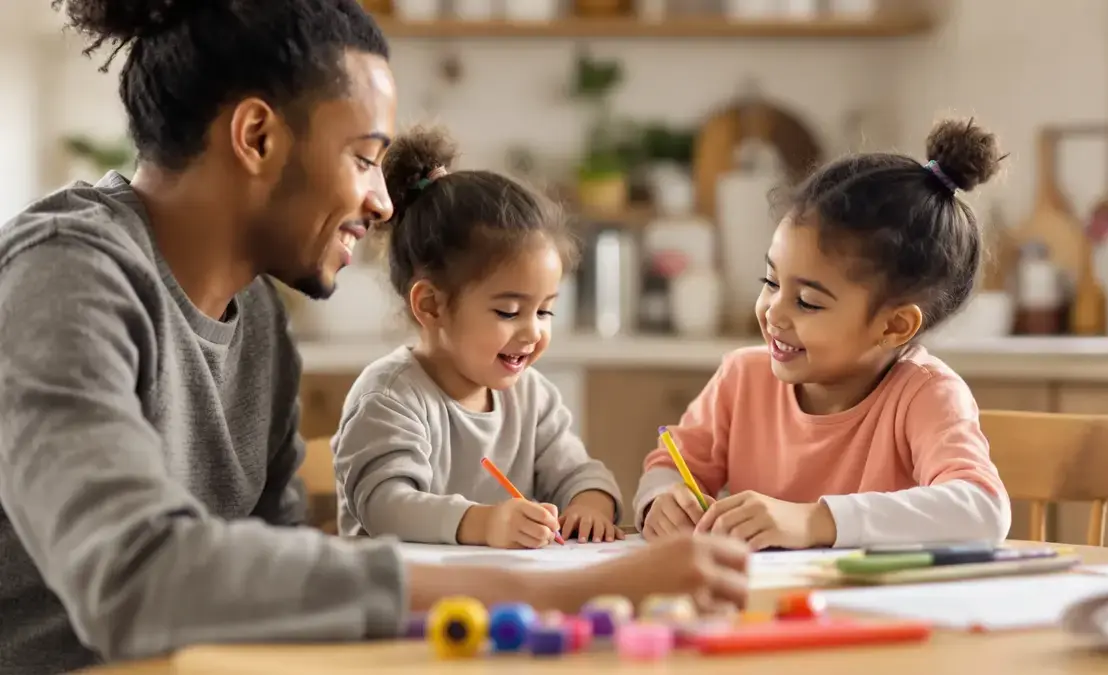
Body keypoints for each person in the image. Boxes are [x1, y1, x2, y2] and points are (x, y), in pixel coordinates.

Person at [0, 1, 749, 673]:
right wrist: (563, 587)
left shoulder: (254, 311)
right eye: (363, 157)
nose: (384, 202)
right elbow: (134, 577)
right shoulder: (65, 276)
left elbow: (279, 576)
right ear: (256, 136)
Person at [635, 119, 1013, 550]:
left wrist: (815, 521)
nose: (773, 312)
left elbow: (982, 508)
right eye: (772, 282)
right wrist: (661, 498)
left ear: (894, 326)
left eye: (808, 302)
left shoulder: (925, 395)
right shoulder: (741, 378)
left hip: (877, 611)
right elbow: (670, 464)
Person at [332, 127, 623, 548]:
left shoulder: (532, 398)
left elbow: (580, 472)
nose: (533, 331)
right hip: (405, 603)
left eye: (544, 311)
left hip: (501, 601)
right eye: (508, 311)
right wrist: (484, 524)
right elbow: (386, 506)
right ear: (431, 305)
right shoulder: (388, 398)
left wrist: (589, 506)